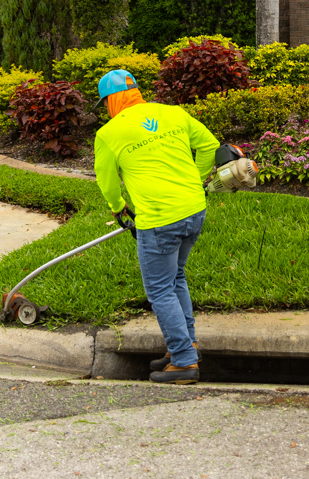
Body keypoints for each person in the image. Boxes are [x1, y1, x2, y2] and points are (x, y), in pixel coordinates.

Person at [93, 69, 220, 384]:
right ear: (135, 92)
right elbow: (210, 145)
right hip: (194, 209)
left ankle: (185, 361)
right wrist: (195, 178)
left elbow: (106, 181)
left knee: (160, 289)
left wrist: (118, 208)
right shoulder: (172, 113)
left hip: (160, 219)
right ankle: (186, 343)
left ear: (111, 100)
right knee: (175, 276)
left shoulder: (109, 133)